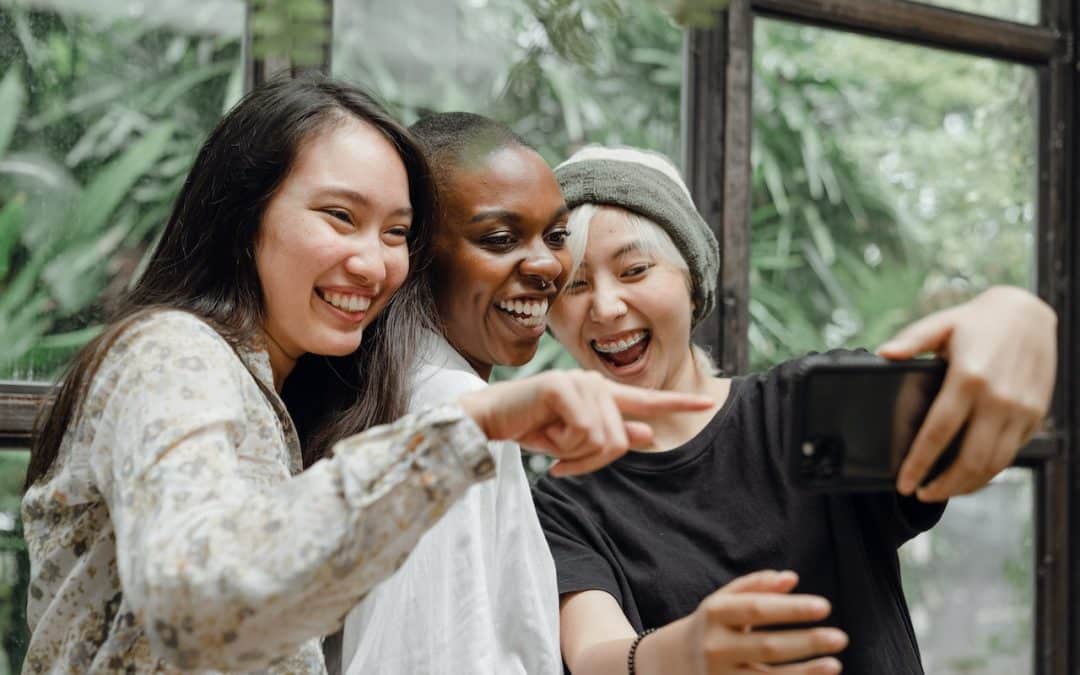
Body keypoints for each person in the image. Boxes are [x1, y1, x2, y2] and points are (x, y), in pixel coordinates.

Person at [20, 83, 712, 675]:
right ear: (243, 212)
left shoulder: (280, 392)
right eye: (340, 216)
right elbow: (195, 600)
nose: (373, 262)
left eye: (395, 233)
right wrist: (469, 429)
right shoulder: (172, 353)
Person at [532, 145, 1057, 675]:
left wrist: (1016, 314)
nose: (604, 307)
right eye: (573, 285)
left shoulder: (809, 408)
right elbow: (593, 653)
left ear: (691, 282)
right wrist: (680, 651)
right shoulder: (564, 498)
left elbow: (969, 419)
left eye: (635, 269)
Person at [340, 113, 571, 674]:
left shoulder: (399, 389)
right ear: (417, 256)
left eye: (558, 236)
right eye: (500, 238)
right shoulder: (453, 409)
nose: (545, 264)